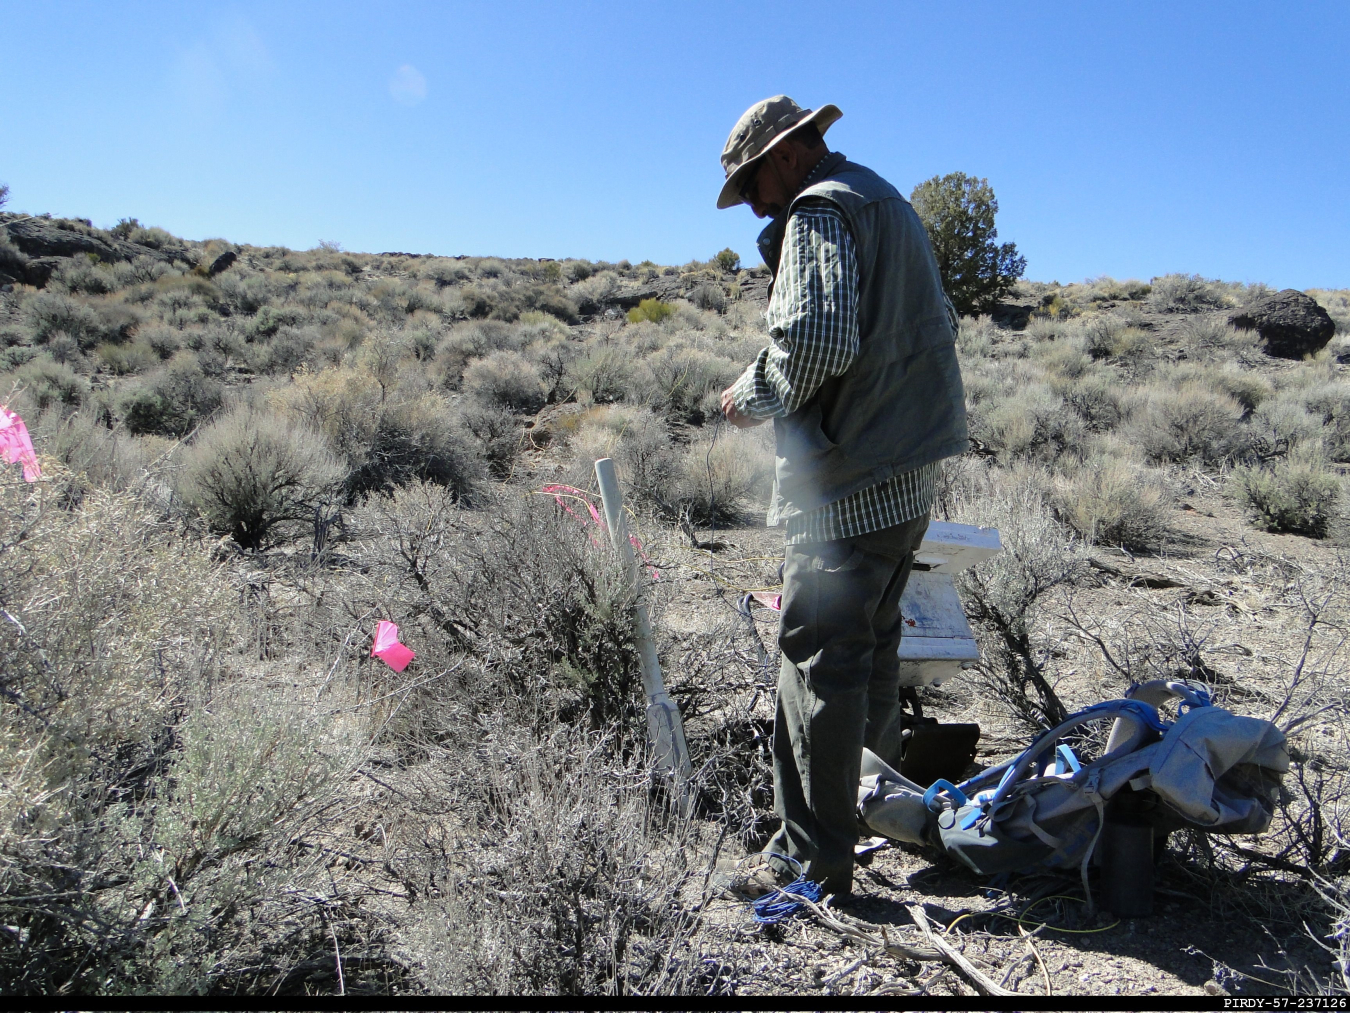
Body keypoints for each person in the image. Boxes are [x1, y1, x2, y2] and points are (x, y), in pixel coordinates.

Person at [717, 95, 968, 897]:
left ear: (787, 155)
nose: (754, 202)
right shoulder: (883, 200)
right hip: (906, 472)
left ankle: (812, 862)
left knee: (817, 660)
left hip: (848, 481)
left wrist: (747, 394)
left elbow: (817, 341)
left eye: (752, 182)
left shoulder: (819, 210)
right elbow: (939, 321)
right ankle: (868, 819)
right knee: (870, 653)